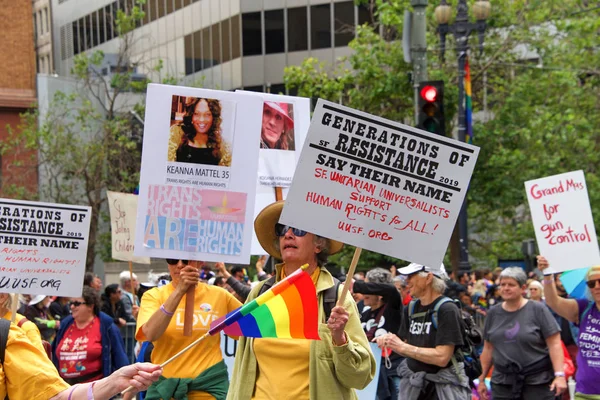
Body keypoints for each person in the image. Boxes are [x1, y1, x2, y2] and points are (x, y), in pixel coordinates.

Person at [228, 201, 376, 399]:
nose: (288, 234)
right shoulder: (260, 293)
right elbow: (241, 365)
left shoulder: (335, 297)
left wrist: (340, 339)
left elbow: (360, 377)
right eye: (282, 229)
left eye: (298, 229)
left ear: (318, 244)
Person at [136, 259, 242, 399]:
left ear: (199, 262)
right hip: (166, 392)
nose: (180, 265)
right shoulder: (153, 296)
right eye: (173, 259)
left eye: (186, 260)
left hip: (208, 391)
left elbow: (255, 328)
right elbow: (150, 334)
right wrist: (180, 290)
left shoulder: (219, 295)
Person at [375, 263, 470, 400]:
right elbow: (406, 345)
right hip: (414, 387)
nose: (406, 280)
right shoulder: (411, 308)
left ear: (429, 278)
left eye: (411, 276)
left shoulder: (447, 309)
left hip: (442, 390)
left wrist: (401, 346)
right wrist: (390, 341)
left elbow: (442, 357)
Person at [0, 321, 161, 400]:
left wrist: (114, 382)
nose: (74, 307)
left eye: (79, 303)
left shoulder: (8, 334)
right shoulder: (67, 323)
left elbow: (53, 396)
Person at [477, 267, 566, 400]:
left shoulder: (538, 309)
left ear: (523, 288)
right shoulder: (493, 313)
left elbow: (554, 343)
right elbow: (488, 348)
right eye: (503, 284)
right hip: (503, 383)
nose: (506, 288)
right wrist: (481, 379)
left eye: (511, 285)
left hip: (538, 382)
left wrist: (559, 375)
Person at [537, 256, 600, 399]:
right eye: (591, 283)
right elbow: (553, 302)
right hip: (585, 392)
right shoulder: (584, 307)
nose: (596, 287)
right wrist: (548, 275)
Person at [52, 287, 129, 385]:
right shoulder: (64, 325)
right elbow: (54, 354)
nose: (72, 307)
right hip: (65, 388)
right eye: (71, 303)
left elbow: (120, 357)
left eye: (77, 304)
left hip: (94, 389)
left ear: (90, 306)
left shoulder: (106, 326)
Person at [353, 267, 403, 400]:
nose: (364, 292)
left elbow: (391, 290)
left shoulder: (393, 308)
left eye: (368, 287)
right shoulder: (364, 312)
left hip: (391, 373)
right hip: (369, 375)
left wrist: (356, 285)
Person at [168, 97, 231, 166]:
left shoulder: (222, 147)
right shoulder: (176, 135)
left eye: (207, 114)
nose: (201, 119)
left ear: (213, 117)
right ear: (191, 116)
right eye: (196, 114)